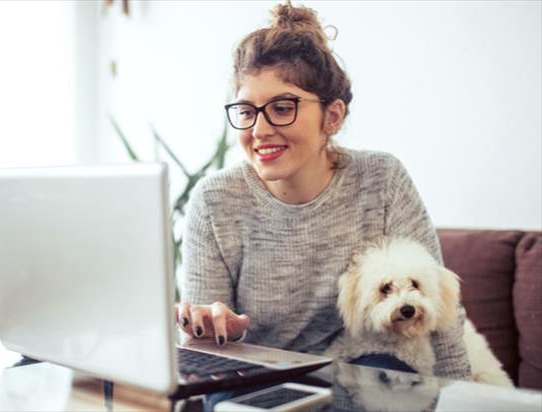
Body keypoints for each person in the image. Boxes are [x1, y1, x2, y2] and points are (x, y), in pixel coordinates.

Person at [175, 0, 471, 383]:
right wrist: (214, 329)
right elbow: (199, 348)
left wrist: (466, 399)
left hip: (362, 369)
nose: (259, 130)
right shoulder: (215, 200)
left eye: (282, 108)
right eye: (247, 112)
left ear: (332, 116)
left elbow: (442, 311)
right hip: (256, 375)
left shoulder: (382, 179)